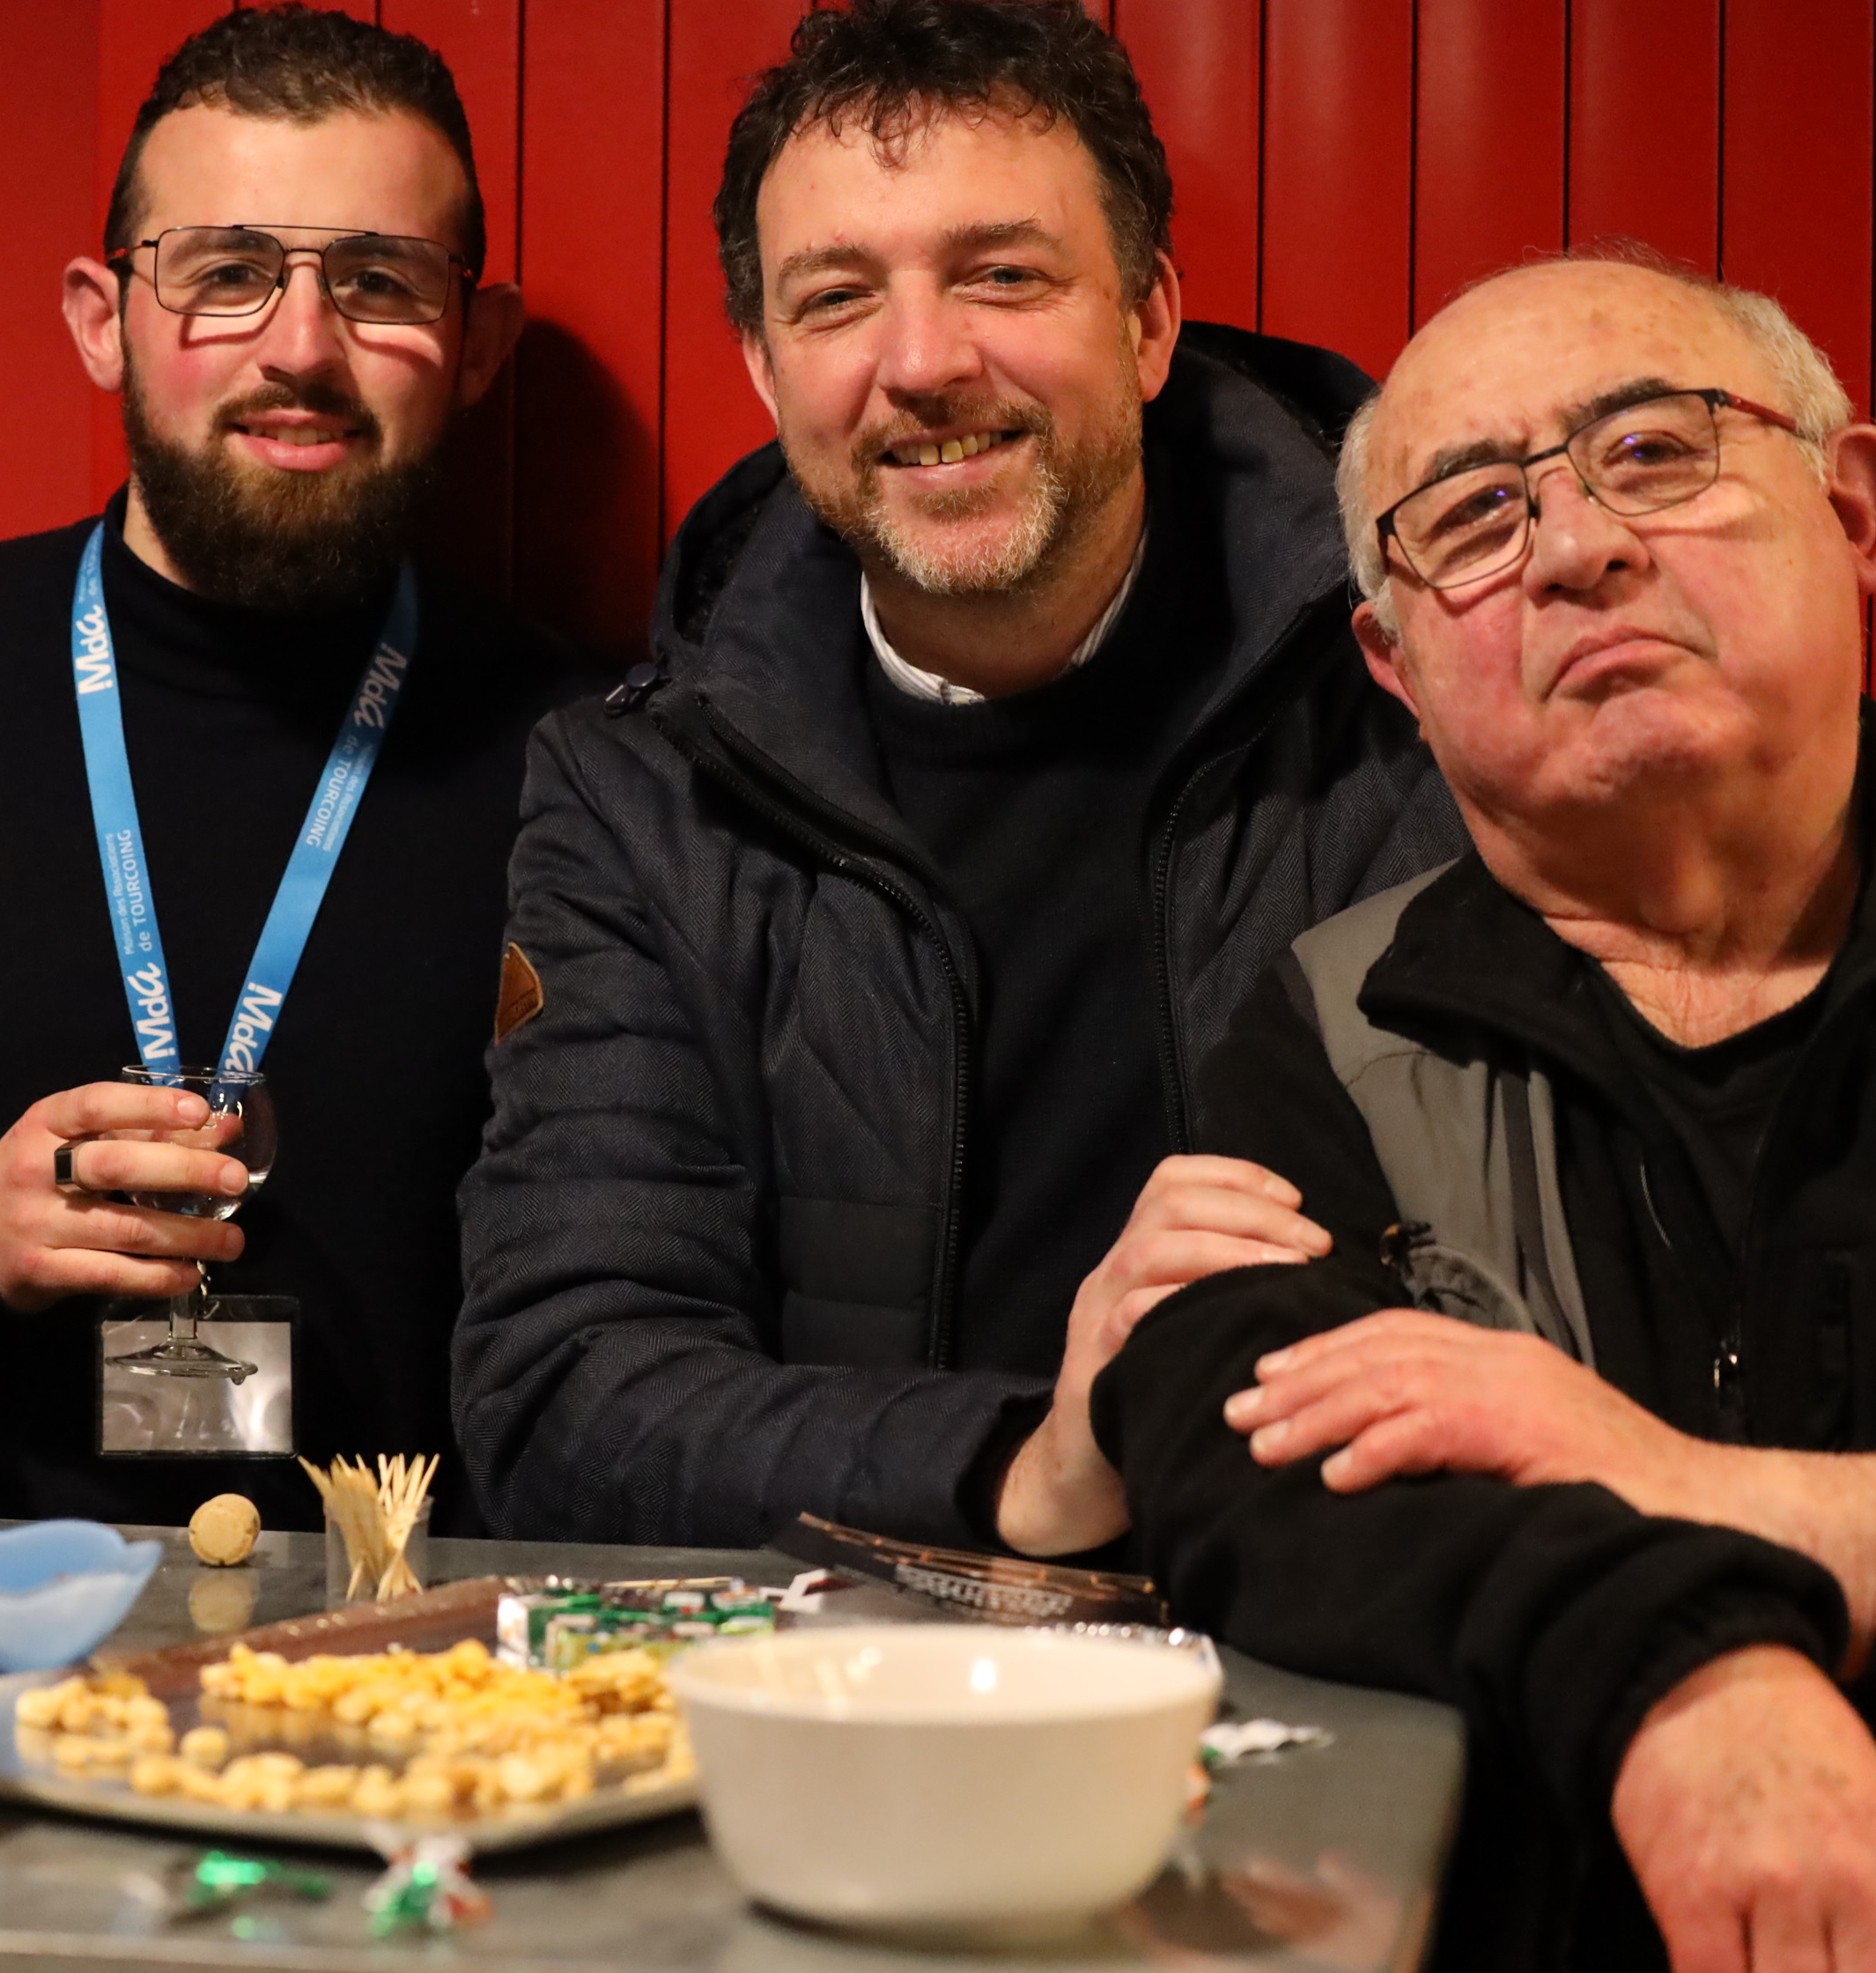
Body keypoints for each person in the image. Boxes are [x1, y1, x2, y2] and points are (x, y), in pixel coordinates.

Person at [452, 0, 1463, 1554]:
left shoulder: (1424, 684)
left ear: (1147, 320)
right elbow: (565, 1397)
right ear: (765, 367)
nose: (922, 363)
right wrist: (1025, 1468)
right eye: (837, 299)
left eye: (1003, 275)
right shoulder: (640, 795)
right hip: (865, 1652)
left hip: (1367, 1616)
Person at [1098, 251, 1876, 1969]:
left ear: (1854, 508)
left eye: (1654, 451)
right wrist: (1682, 1673)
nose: (1580, 548)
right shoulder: (1329, 1033)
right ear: (1395, 661)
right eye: (1473, 517)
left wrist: (1688, 1486)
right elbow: (1247, 1474)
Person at [0, 5, 584, 1531]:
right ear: (101, 318)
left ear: (479, 345)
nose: (301, 348)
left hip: (431, 1634)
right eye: (226, 272)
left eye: (380, 281)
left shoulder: (599, 756)